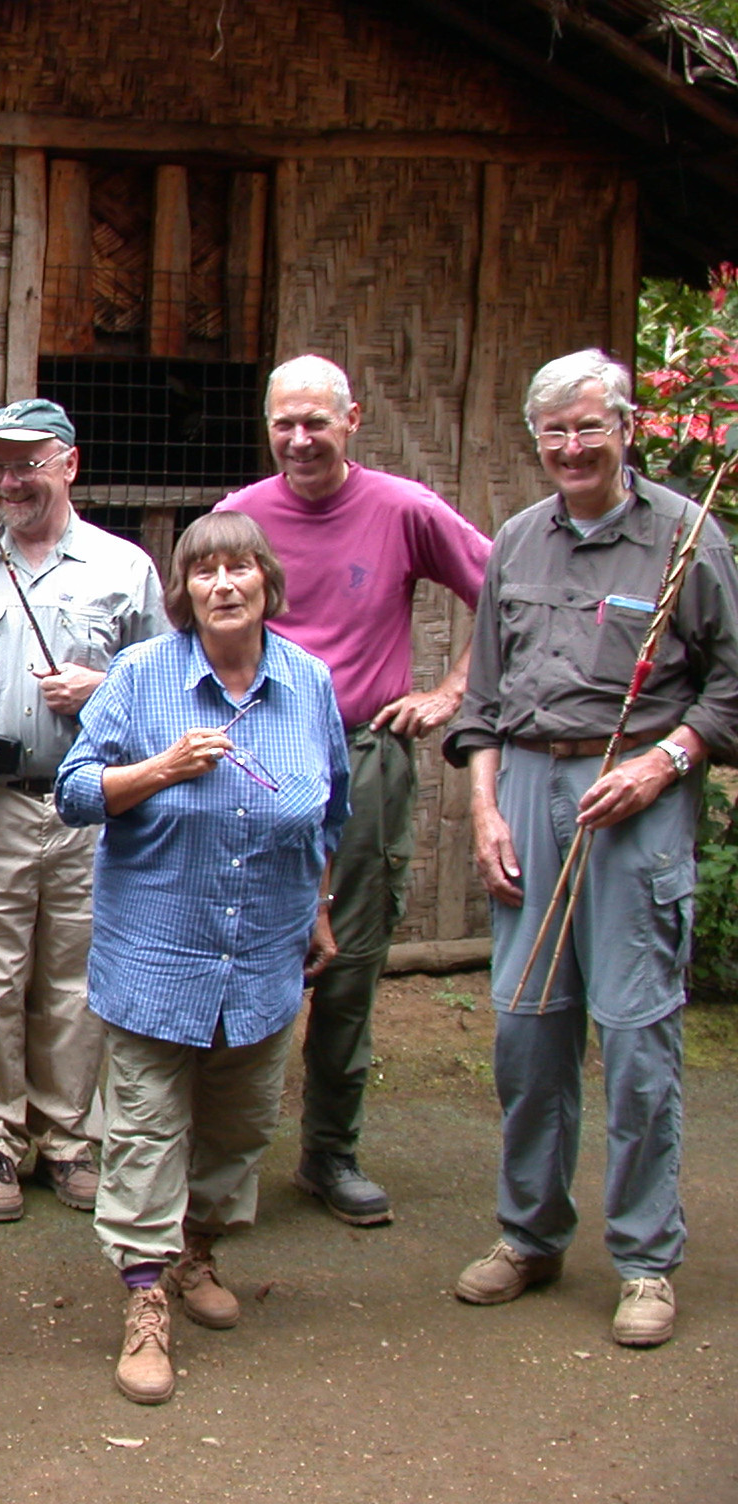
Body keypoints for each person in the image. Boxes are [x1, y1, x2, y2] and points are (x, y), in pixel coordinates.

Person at [445, 349, 738, 1350]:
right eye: (554, 432)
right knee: (527, 1037)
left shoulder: (687, 538)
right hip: (527, 792)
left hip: (634, 803)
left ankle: (645, 1259)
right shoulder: (517, 542)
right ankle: (529, 1235)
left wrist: (663, 764)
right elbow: (483, 700)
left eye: (588, 427)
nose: (571, 448)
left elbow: (729, 689)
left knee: (636, 1040)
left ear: (626, 428)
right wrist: (486, 812)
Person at [57, 511, 348, 1406]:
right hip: (157, 952)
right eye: (204, 571)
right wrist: (161, 770)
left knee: (239, 1125)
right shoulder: (142, 676)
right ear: (182, 592)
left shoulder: (308, 683)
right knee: (146, 1128)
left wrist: (320, 909)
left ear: (267, 581)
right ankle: (146, 1296)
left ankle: (198, 1252)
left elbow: (329, 811)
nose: (224, 584)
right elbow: (74, 792)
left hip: (263, 952)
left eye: (240, 567)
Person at [215, 355, 492, 1226]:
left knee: (350, 958)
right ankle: (217, 1161)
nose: (300, 440)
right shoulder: (239, 519)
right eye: (284, 423)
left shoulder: (404, 509)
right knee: (234, 948)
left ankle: (330, 1152)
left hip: (366, 755)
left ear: (352, 420)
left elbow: (507, 595)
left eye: (317, 422)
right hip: (252, 759)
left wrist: (452, 693)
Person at [0, 397, 165, 1222]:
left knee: (76, 985)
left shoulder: (125, 569)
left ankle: (69, 1140)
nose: (10, 481)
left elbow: (167, 693)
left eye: (27, 464)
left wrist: (102, 688)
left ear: (69, 465)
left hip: (92, 809)